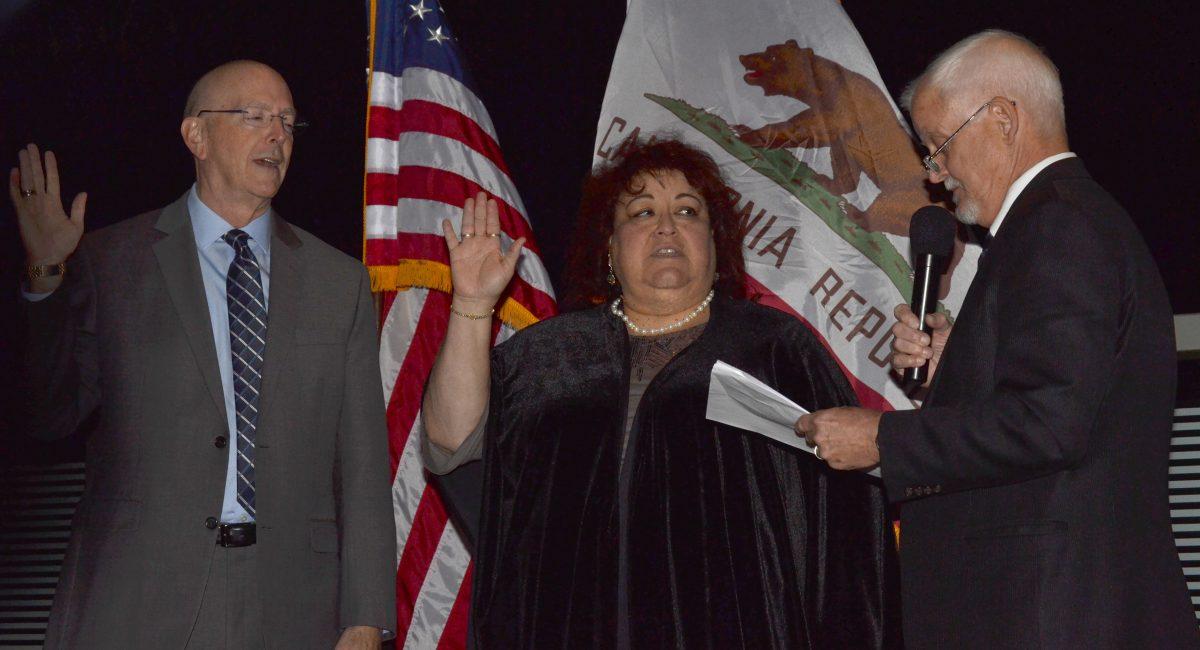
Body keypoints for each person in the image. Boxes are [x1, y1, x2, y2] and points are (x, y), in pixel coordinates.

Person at [796, 30, 1197, 647]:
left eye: (937, 145)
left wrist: (882, 437)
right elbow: (1069, 402)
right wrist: (959, 366)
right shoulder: (1065, 221)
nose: (933, 173)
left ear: (1004, 120)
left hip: (1051, 617)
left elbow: (1050, 422)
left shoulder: (1057, 226)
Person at [420, 138, 901, 647]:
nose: (666, 225)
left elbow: (848, 538)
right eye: (642, 211)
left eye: (688, 211)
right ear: (609, 248)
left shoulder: (777, 351)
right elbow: (451, 445)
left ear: (716, 246)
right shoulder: (548, 357)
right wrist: (472, 305)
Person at [12, 61, 396, 648]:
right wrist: (46, 278)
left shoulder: (338, 282)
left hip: (294, 605)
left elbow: (365, 469)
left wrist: (366, 617)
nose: (277, 135)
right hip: (139, 598)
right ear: (196, 136)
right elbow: (51, 414)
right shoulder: (111, 262)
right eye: (255, 117)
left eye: (288, 122)